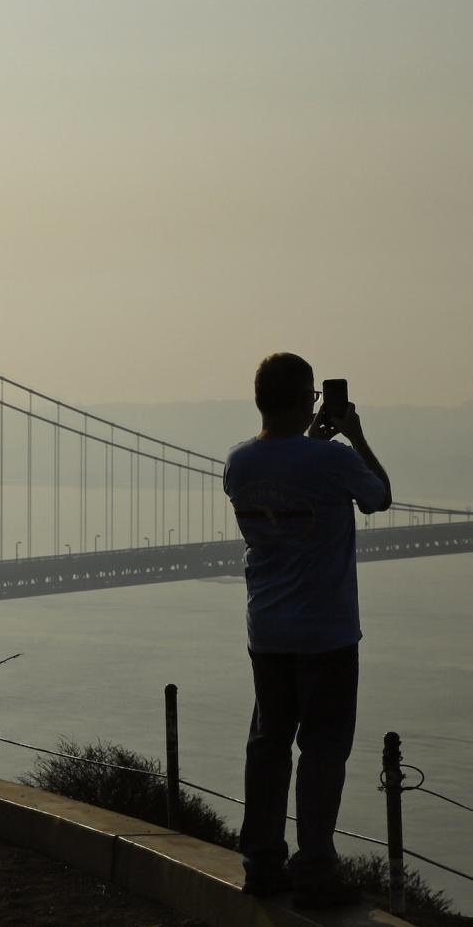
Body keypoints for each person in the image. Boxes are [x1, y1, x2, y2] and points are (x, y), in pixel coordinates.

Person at [223, 353, 391, 908]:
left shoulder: (237, 463)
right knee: (322, 750)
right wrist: (355, 437)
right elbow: (379, 496)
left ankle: (262, 864)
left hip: (266, 632)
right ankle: (316, 872)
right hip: (326, 634)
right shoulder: (332, 459)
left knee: (267, 747)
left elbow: (287, 471)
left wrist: (314, 439)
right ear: (307, 399)